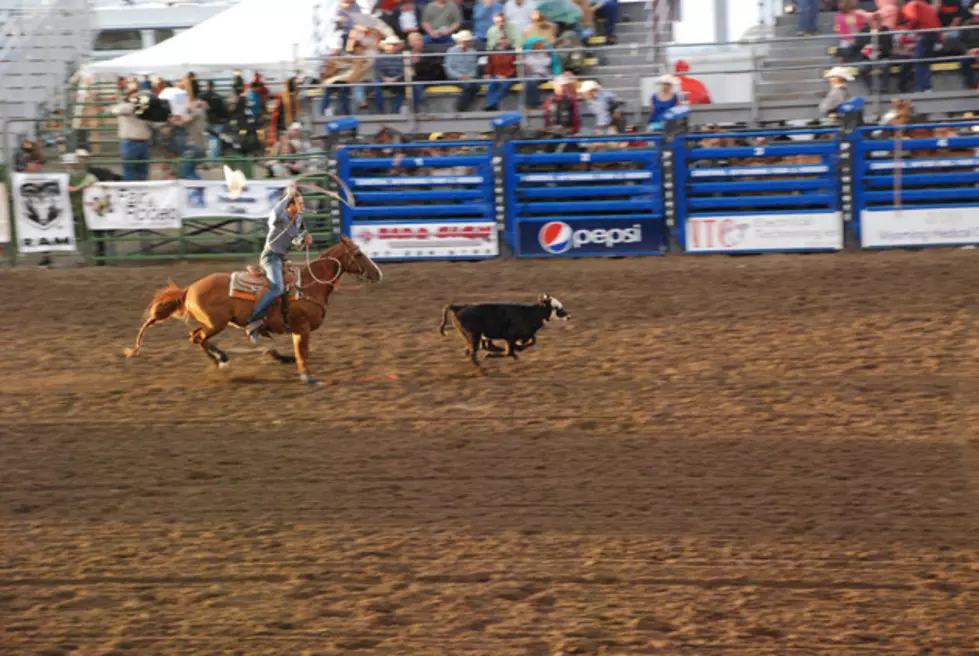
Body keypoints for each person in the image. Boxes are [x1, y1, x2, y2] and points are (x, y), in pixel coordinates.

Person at [245, 186, 313, 344]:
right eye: (299, 203)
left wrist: (303, 241)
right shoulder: (280, 215)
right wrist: (288, 195)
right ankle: (253, 320)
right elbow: (275, 214)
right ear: (290, 205)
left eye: (302, 203)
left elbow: (295, 239)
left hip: (281, 257)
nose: (302, 206)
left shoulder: (298, 219)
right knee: (277, 288)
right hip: (270, 257)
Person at [899, 0, 941, 91]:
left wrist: (905, 31)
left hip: (926, 34)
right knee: (924, 62)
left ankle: (923, 88)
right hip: (933, 33)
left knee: (920, 61)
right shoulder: (922, 4)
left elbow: (913, 18)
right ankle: (926, 87)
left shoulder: (911, 5)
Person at [445, 30, 481, 112]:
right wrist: (460, 76)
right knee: (471, 86)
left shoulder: (473, 52)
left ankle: (460, 106)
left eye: (468, 41)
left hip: (469, 77)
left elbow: (474, 68)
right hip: (455, 77)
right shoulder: (451, 51)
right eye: (465, 41)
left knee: (475, 86)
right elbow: (449, 68)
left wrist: (469, 76)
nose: (467, 42)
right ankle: (460, 107)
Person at [484, 33, 518, 110]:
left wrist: (506, 76)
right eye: (502, 39)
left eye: (505, 39)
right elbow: (490, 64)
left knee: (504, 85)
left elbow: (515, 67)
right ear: (498, 40)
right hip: (496, 75)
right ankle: (492, 105)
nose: (504, 41)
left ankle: (492, 104)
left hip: (509, 77)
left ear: (509, 40)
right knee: (492, 84)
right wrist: (488, 73)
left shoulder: (513, 52)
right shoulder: (493, 52)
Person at [375, 34, 407, 113]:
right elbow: (378, 71)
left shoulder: (403, 56)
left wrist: (396, 78)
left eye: (394, 44)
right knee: (376, 84)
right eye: (390, 44)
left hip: (397, 79)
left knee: (402, 86)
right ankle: (380, 111)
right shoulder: (379, 57)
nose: (392, 46)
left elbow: (404, 70)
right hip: (384, 79)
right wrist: (384, 78)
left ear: (398, 46)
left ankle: (396, 110)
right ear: (385, 46)